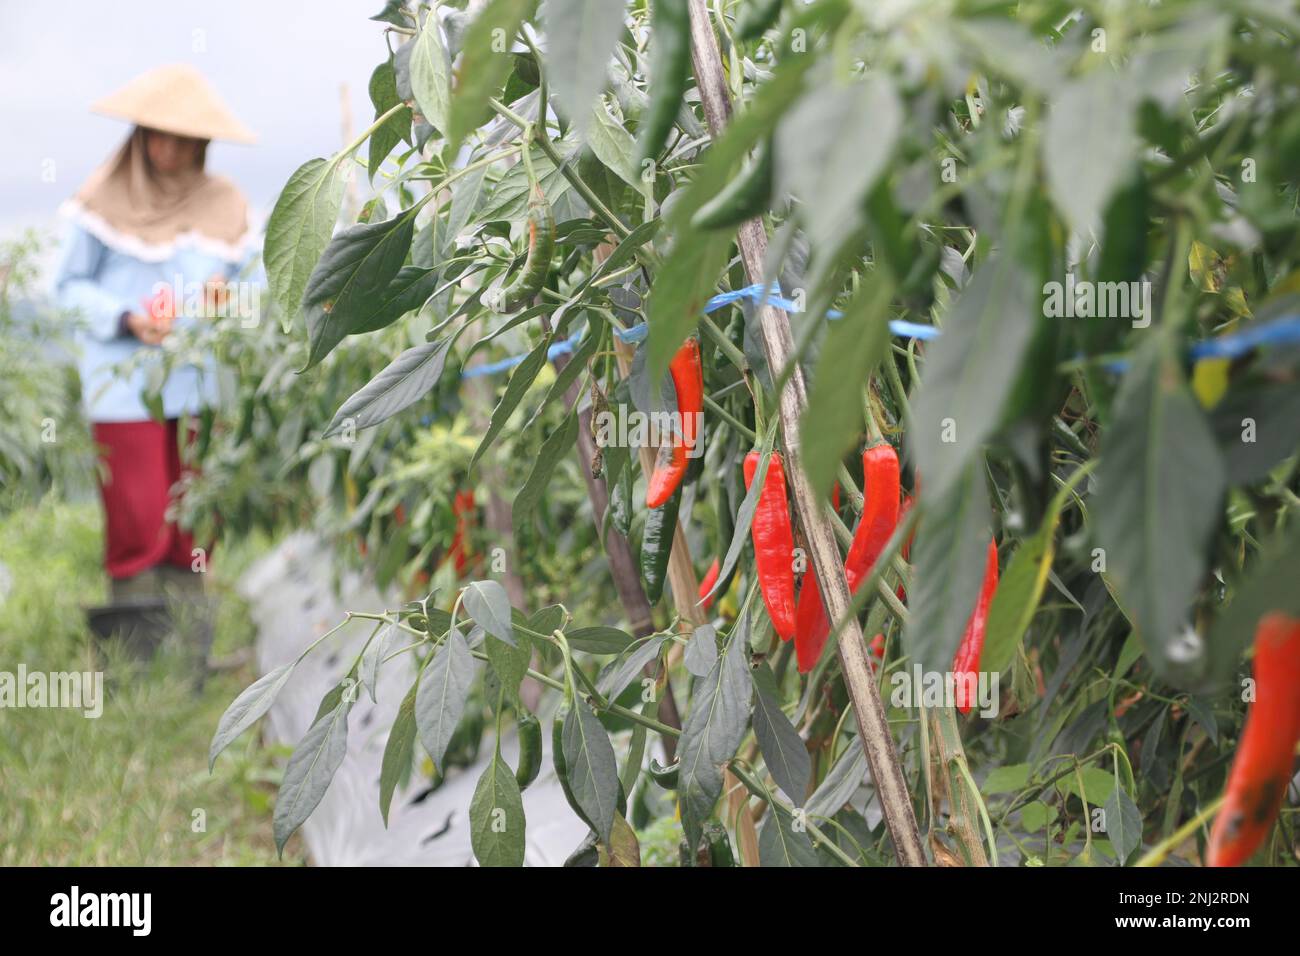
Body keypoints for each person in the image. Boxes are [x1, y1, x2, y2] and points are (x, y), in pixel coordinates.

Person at [54, 64, 256, 661]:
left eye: (182, 137)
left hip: (200, 383)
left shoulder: (226, 205)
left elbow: (257, 282)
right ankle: (137, 656)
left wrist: (229, 299)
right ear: (139, 137)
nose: (169, 149)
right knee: (139, 513)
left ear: (203, 143)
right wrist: (125, 317)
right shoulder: (103, 200)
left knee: (195, 511)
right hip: (124, 388)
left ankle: (188, 653)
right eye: (157, 134)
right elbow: (67, 288)